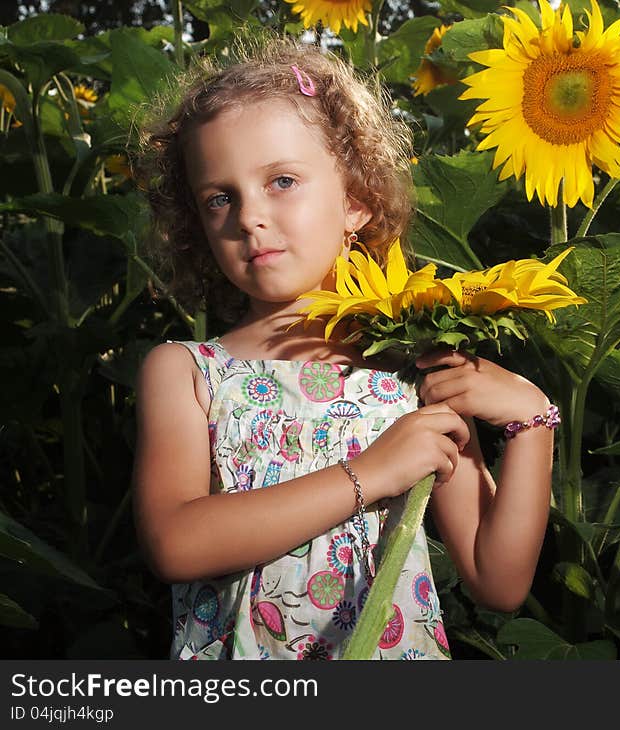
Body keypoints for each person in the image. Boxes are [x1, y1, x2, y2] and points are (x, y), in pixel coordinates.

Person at [131, 39, 555, 660]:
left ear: (355, 199)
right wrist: (372, 474)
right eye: (219, 197)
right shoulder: (187, 372)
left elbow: (499, 580)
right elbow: (175, 543)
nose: (249, 217)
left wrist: (533, 419)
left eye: (281, 181)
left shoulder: (414, 370)